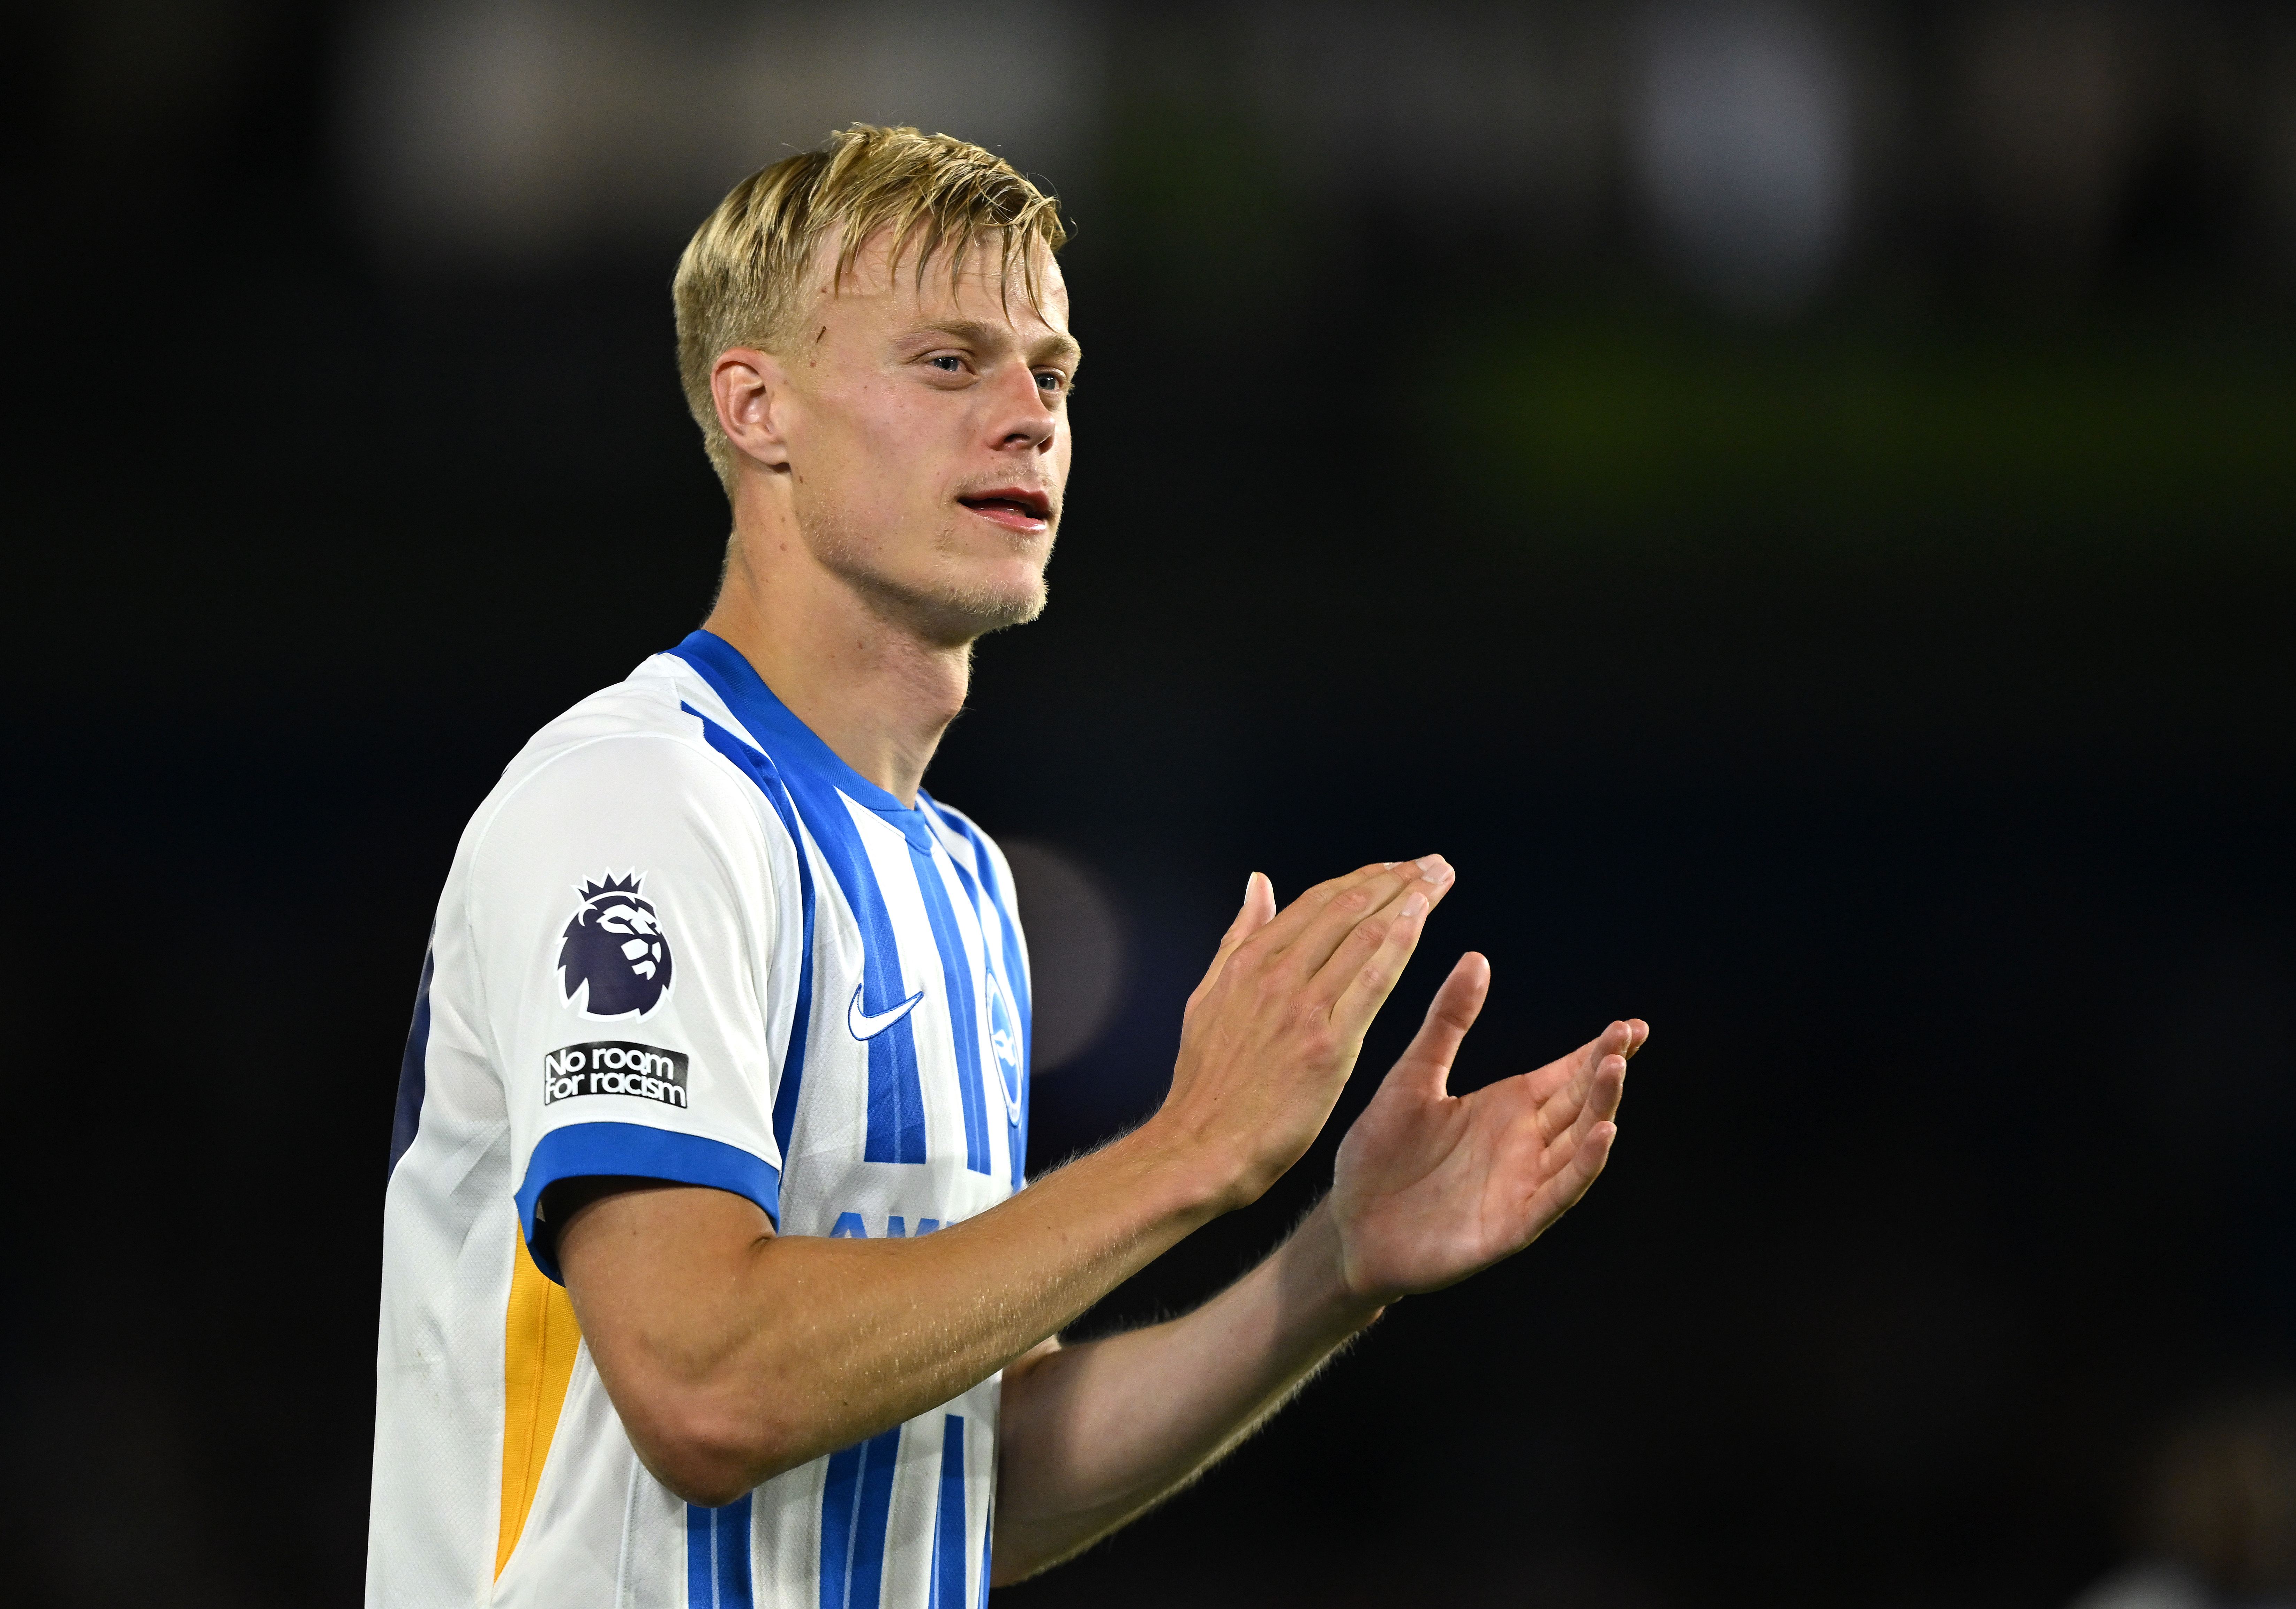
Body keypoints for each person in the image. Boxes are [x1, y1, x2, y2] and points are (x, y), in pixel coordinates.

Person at [365, 125, 1648, 1609]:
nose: (1028, 416)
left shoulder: (964, 885)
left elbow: (967, 1480)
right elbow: (703, 1382)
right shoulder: (643, 804)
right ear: (756, 403)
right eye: (947, 362)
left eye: (1052, 371)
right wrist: (1191, 1153)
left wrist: (1329, 1266)